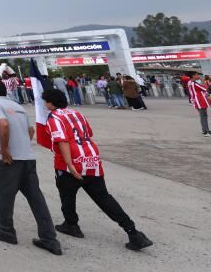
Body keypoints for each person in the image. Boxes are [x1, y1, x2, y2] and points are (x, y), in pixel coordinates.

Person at [38, 89, 153, 251]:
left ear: (50, 102)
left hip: (71, 163)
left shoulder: (54, 117)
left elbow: (61, 140)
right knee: (104, 198)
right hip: (91, 159)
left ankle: (71, 224)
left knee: (67, 196)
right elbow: (88, 133)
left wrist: (70, 164)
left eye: (45, 101)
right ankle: (133, 232)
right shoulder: (76, 113)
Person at [0, 79, 61, 256]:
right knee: (36, 198)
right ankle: (50, 239)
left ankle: (6, 231)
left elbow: (3, 124)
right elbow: (31, 130)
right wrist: (23, 144)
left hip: (10, 161)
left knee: (2, 196)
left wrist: (5, 149)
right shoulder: (16, 105)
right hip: (28, 158)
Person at [185, 72, 211, 137]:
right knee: (204, 116)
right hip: (200, 101)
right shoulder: (194, 84)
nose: (198, 76)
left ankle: (204, 130)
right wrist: (203, 80)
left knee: (202, 116)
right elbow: (205, 88)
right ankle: (206, 131)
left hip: (196, 101)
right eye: (197, 75)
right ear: (193, 76)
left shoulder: (190, 82)